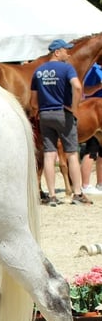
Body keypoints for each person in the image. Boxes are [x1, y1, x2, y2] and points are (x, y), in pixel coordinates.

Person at [31, 39, 92, 206]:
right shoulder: (67, 69)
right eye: (66, 50)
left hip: (44, 114)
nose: (69, 53)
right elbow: (78, 87)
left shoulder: (38, 71)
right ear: (57, 52)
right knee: (72, 153)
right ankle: (78, 194)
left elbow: (33, 103)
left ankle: (51, 196)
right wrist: (74, 107)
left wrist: (41, 110)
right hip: (63, 113)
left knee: (49, 155)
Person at [80, 62, 102, 195]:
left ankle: (100, 184)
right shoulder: (93, 69)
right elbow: (86, 90)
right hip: (94, 112)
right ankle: (85, 184)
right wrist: (100, 85)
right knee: (92, 149)